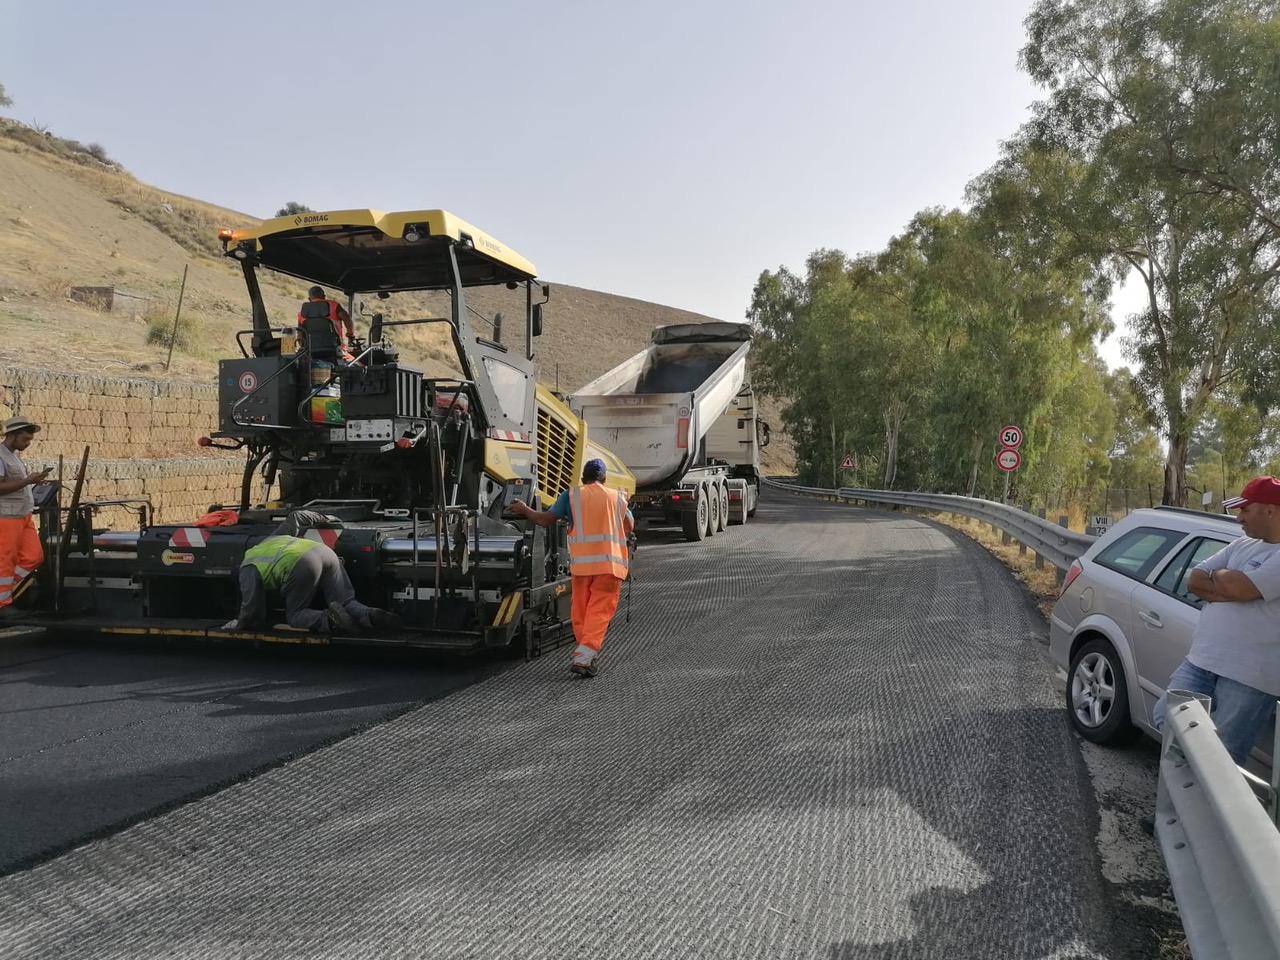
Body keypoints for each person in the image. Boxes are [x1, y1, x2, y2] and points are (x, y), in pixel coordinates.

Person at [1152, 475, 1280, 764]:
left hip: (1249, 677)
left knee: (1223, 759)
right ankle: (1182, 801)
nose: (1239, 519)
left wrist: (1225, 579)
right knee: (1166, 719)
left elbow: (1236, 587)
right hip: (1202, 661)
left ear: (1270, 510)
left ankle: (1189, 806)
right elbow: (1195, 579)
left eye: (1245, 510)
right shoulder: (1243, 546)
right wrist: (1235, 587)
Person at [508, 459, 634, 677]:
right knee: (599, 612)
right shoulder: (617, 497)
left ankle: (584, 654)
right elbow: (629, 525)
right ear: (604, 479)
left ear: (583, 478)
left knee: (580, 612)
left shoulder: (572, 496)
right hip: (610, 566)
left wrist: (524, 509)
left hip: (582, 567)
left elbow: (545, 520)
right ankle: (584, 657)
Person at [222, 511, 401, 635]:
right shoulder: (271, 540)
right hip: (325, 552)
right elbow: (296, 516)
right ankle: (370, 615)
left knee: (295, 615)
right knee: (346, 601)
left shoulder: (247, 568)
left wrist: (238, 625)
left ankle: (329, 619)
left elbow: (251, 608)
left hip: (303, 564)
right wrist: (328, 518)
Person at [0, 417, 51, 617]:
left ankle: (3, 594)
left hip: (22, 515)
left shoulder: (13, 456)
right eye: (26, 439)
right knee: (5, 560)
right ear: (12, 436)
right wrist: (27, 481)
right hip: (6, 516)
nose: (28, 443)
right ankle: (3, 605)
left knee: (34, 556)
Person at [297, 285, 356, 362]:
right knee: (359, 365)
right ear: (324, 296)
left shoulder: (302, 313)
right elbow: (347, 319)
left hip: (312, 353)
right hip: (336, 352)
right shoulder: (334, 306)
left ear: (309, 299)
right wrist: (350, 334)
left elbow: (300, 333)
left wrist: (304, 348)